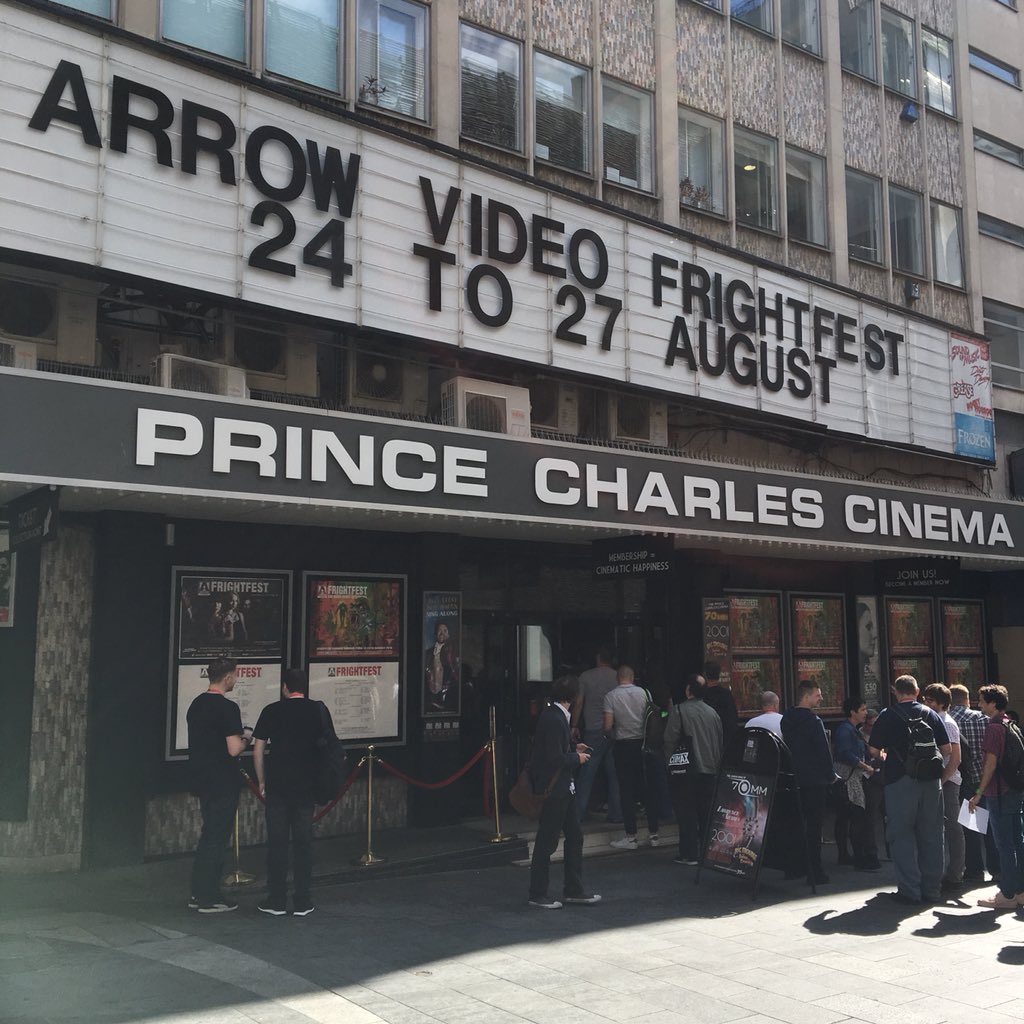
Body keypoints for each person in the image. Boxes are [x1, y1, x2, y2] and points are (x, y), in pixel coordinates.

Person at [252, 668, 332, 917]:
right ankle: (302, 900)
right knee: (303, 844)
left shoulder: (271, 711)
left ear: (285, 687)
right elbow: (328, 747)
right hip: (306, 786)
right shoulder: (317, 710)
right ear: (304, 687)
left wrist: (262, 781)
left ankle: (276, 899)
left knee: (277, 844)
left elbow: (258, 750)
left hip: (278, 786)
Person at [868, 674, 951, 905]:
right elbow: (946, 750)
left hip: (899, 780)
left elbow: (874, 750)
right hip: (931, 782)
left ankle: (910, 890)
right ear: (916, 691)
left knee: (901, 836)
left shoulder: (888, 715)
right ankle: (932, 889)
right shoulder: (931, 714)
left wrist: (885, 754)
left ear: (896, 692)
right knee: (933, 835)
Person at [527, 674, 601, 910]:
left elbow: (556, 750)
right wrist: (576, 757)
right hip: (555, 788)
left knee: (575, 836)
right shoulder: (555, 719)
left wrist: (572, 748)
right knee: (547, 841)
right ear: (573, 697)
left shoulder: (556, 716)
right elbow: (554, 758)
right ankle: (538, 893)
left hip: (563, 788)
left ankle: (573, 889)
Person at [186, 658, 249, 913]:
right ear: (227, 678)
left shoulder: (196, 704)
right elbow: (233, 749)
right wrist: (246, 738)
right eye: (235, 675)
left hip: (202, 778)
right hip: (223, 780)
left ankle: (197, 892)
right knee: (217, 838)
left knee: (208, 835)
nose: (236, 679)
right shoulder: (227, 708)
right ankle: (209, 897)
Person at [968, 684, 1024, 909]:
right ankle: (1020, 891)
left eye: (982, 700)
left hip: (998, 792)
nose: (979, 704)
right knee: (1018, 841)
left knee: (1004, 844)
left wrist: (978, 793)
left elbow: (990, 764)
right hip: (1014, 790)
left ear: (993, 703)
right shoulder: (1010, 724)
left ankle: (1008, 893)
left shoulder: (993, 728)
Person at [663, 673, 723, 866]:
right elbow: (719, 741)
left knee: (686, 812)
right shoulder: (712, 713)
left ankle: (689, 853)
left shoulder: (679, 710)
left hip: (687, 769)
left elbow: (669, 739)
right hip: (710, 768)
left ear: (688, 690)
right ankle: (708, 850)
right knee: (706, 812)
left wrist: (669, 763)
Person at [781, 680, 836, 884]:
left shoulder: (787, 719)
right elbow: (823, 751)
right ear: (806, 696)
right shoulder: (814, 721)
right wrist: (830, 775)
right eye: (817, 694)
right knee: (814, 826)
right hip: (814, 780)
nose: (820, 698)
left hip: (794, 776)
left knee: (795, 823)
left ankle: (794, 867)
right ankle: (814, 870)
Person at [604, 665, 661, 850]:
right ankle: (654, 834)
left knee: (626, 790)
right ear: (633, 677)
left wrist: (612, 735)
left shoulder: (611, 696)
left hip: (623, 745)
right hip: (644, 745)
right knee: (647, 789)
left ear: (617, 678)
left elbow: (607, 726)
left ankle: (631, 837)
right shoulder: (645, 693)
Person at [948, 683, 998, 883]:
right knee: (991, 828)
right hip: (985, 779)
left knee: (971, 829)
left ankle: (975, 870)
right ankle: (997, 868)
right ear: (967, 700)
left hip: (965, 780)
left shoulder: (950, 721)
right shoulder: (984, 720)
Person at [921, 683, 965, 893]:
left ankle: (955, 874)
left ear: (943, 703)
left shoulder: (947, 723)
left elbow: (955, 759)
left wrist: (941, 781)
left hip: (947, 783)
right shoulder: (933, 720)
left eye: (931, 700)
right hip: (937, 781)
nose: (926, 704)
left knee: (954, 829)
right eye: (925, 699)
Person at [571, 648, 622, 823]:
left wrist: (574, 725)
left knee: (587, 772)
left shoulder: (586, 676)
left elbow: (579, 703)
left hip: (593, 729)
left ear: (598, 658)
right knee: (614, 774)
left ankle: (579, 812)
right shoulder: (618, 677)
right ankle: (616, 812)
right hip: (614, 730)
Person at [833, 696, 880, 871]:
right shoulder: (846, 730)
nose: (865, 713)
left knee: (847, 817)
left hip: (852, 776)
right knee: (855, 816)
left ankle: (846, 854)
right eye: (862, 710)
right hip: (849, 778)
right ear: (853, 712)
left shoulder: (853, 730)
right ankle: (857, 856)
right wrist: (865, 766)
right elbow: (845, 753)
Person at [424, 621, 458, 713]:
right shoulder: (427, 653)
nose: (442, 633)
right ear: (435, 633)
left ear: (449, 634)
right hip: (429, 696)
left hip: (446, 697)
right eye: (439, 630)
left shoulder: (453, 652)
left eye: (445, 630)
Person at [702, 660, 738, 742]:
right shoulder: (726, 694)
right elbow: (732, 718)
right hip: (726, 739)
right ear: (718, 674)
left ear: (704, 675)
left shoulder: (703, 696)